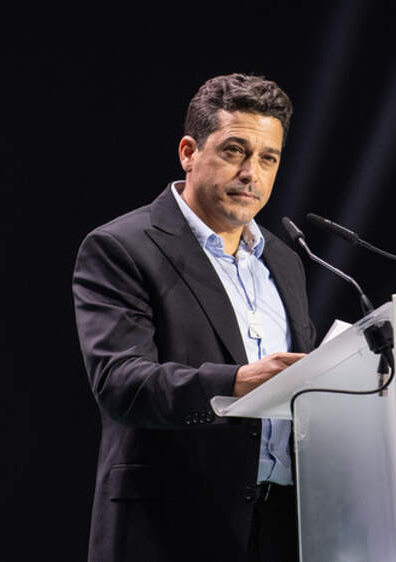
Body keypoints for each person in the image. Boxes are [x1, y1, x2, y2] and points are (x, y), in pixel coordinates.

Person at [73, 73, 316, 562]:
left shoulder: (285, 260)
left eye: (267, 158)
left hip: (282, 527)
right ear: (189, 152)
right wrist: (237, 382)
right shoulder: (123, 248)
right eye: (234, 151)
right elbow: (121, 383)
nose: (251, 173)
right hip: (172, 528)